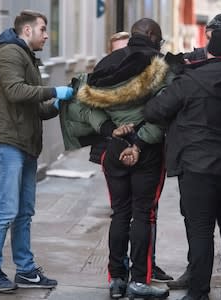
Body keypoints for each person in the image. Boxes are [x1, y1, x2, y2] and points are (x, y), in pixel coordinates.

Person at [144, 29, 221, 300]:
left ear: (211, 51)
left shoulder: (191, 79)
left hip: (197, 168)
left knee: (200, 230)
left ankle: (198, 292)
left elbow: (155, 111)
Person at [75, 18, 171, 300]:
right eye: (160, 39)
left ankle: (116, 279)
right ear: (152, 36)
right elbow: (165, 111)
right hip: (148, 151)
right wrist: (140, 143)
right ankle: (139, 281)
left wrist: (110, 130)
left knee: (120, 213)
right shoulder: (160, 66)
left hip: (113, 149)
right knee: (143, 214)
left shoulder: (107, 63)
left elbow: (85, 103)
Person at [0, 10, 74, 292]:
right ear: (27, 31)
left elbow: (34, 107)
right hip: (6, 142)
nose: (46, 35)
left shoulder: (27, 57)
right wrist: (54, 91)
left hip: (25, 144)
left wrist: (56, 104)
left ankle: (25, 270)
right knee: (7, 210)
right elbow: (15, 91)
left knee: (24, 212)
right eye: (43, 29)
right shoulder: (9, 53)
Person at [169, 12, 221, 298]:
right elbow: (169, 71)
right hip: (193, 154)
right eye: (209, 35)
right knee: (195, 220)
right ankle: (195, 273)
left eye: (215, 36)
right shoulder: (195, 57)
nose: (209, 41)